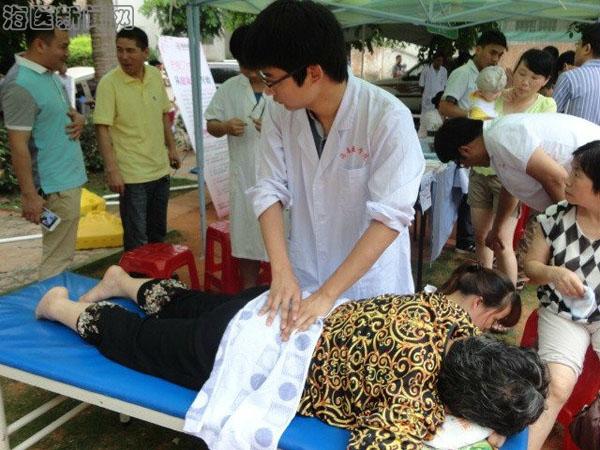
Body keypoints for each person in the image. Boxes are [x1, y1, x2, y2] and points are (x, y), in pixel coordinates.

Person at [35, 261, 546, 448]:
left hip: (274, 308)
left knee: (189, 304)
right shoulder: (413, 401)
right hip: (245, 354)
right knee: (140, 344)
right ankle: (59, 307)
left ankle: (123, 280)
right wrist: (485, 435)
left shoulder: (447, 317)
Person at [244, 0, 425, 339]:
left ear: (313, 73)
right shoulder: (280, 112)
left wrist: (328, 295)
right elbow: (269, 187)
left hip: (370, 284)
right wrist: (281, 271)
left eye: (271, 78)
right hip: (307, 268)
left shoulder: (387, 118)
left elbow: (389, 218)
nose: (268, 91)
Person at [523, 141, 600, 450]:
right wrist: (555, 273)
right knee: (556, 386)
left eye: (577, 173)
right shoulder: (555, 216)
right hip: (562, 313)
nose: (566, 178)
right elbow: (531, 267)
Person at [0, 17, 87, 279]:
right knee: (56, 260)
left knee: (62, 255)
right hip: (54, 188)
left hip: (66, 183)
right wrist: (30, 196)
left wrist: (79, 118)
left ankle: (56, 298)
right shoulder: (20, 84)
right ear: (40, 45)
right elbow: (17, 145)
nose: (67, 52)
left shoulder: (48, 74)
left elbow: (58, 114)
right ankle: (52, 300)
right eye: (63, 46)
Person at [469, 49, 556, 285]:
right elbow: (475, 124)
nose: (525, 82)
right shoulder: (496, 96)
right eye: (522, 73)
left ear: (546, 81)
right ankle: (485, 288)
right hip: (482, 172)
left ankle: (508, 296)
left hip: (512, 179)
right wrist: (489, 97)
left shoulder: (546, 106)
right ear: (513, 71)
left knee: (502, 242)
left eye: (534, 78)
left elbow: (539, 142)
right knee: (481, 237)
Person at [94, 27, 180, 251]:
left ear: (145, 52)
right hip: (132, 177)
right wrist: (112, 169)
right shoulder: (109, 84)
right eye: (119, 50)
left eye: (130, 51)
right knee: (136, 241)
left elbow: (163, 115)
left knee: (157, 235)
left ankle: (156, 275)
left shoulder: (154, 75)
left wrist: (172, 148)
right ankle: (135, 275)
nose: (124, 57)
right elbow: (102, 129)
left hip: (160, 171)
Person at [434, 113, 600, 215]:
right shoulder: (493, 146)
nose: (467, 166)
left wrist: (567, 227)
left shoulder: (501, 137)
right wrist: (498, 228)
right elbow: (511, 187)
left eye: (462, 163)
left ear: (465, 150)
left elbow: (556, 178)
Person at [205, 25, 267, 288]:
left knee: (282, 241)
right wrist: (225, 127)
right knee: (246, 242)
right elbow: (211, 124)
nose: (248, 72)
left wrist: (274, 130)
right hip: (244, 178)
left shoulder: (283, 86)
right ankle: (248, 293)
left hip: (280, 179)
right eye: (243, 65)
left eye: (253, 65)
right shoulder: (230, 87)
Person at [439, 30, 508, 254]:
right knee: (468, 196)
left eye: (500, 55)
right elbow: (445, 106)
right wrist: (473, 116)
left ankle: (472, 241)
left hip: (487, 146)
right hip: (469, 143)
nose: (495, 59)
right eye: (492, 52)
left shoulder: (493, 78)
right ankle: (465, 240)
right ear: (478, 49)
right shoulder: (463, 74)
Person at [553, 23, 600, 125]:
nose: (576, 49)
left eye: (578, 44)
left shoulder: (569, 77)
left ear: (587, 48)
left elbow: (551, 117)